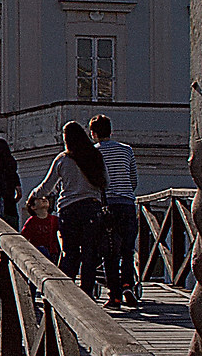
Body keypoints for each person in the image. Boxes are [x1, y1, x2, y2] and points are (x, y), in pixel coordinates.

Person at [37, 121, 108, 293]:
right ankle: (86, 293)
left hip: (69, 210)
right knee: (90, 254)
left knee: (70, 252)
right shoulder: (95, 156)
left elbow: (47, 186)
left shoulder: (63, 158)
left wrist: (34, 196)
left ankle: (65, 293)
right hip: (91, 208)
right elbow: (106, 182)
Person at [89, 113, 140, 308]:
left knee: (109, 250)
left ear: (93, 133)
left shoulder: (94, 153)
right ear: (111, 131)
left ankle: (115, 295)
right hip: (127, 204)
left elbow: (94, 181)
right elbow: (133, 179)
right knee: (127, 249)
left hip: (106, 206)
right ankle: (128, 284)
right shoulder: (126, 150)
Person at [19, 190, 60, 262]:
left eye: (45, 198)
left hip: (53, 253)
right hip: (38, 253)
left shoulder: (55, 219)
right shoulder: (32, 221)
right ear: (33, 207)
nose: (44, 199)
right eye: (39, 198)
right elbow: (24, 237)